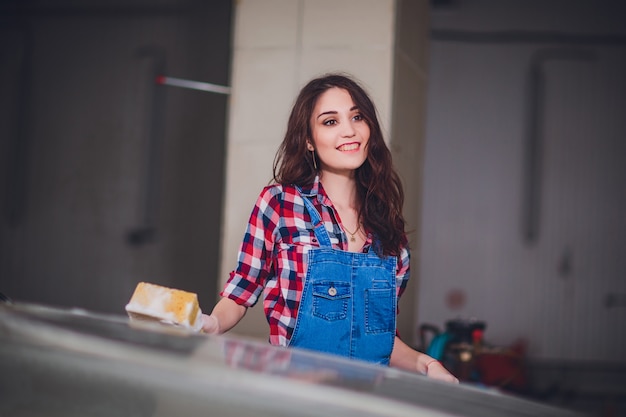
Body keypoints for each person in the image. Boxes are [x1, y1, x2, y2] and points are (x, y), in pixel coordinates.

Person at [202, 73, 458, 383]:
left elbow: (378, 339)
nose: (349, 130)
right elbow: (241, 291)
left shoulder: (389, 228)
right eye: (330, 122)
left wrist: (426, 364)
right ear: (308, 139)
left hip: (364, 403)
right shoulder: (281, 203)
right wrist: (212, 324)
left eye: (357, 117)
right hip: (297, 400)